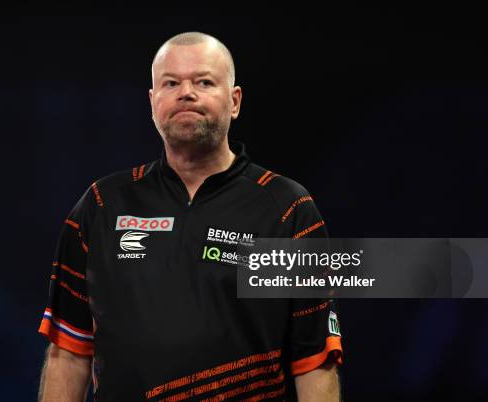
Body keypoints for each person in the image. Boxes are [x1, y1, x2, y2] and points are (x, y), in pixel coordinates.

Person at [37, 32, 343, 401]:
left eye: (204, 82)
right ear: (152, 103)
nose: (186, 92)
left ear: (235, 102)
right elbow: (68, 352)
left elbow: (313, 359)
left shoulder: (287, 209)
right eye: (171, 83)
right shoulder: (102, 205)